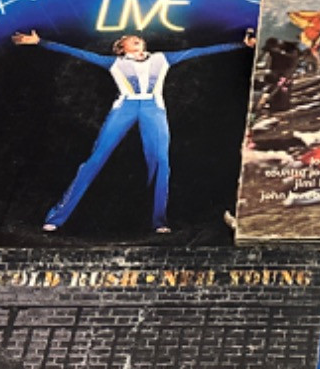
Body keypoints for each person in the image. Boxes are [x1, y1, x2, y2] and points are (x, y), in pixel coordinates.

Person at [13, 27, 253, 232]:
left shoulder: (162, 58)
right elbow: (78, 53)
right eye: (131, 39)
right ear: (121, 48)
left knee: (161, 160)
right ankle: (56, 218)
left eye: (139, 38)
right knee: (96, 159)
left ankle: (158, 220)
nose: (138, 39)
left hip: (153, 108)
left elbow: (200, 51)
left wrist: (241, 44)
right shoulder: (114, 62)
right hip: (125, 107)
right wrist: (41, 42)